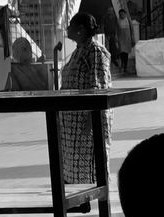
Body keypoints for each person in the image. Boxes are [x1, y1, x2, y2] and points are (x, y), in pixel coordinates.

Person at [59, 13, 113, 185]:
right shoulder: (79, 50)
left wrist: (92, 119)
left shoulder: (95, 51)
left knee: (91, 165)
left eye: (70, 25)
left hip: (87, 122)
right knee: (72, 167)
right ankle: (78, 195)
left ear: (80, 29)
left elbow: (99, 86)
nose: (67, 28)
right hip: (72, 124)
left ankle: (94, 195)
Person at [116, 9, 134, 76]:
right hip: (120, 38)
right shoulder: (118, 21)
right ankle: (122, 64)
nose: (122, 15)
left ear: (125, 14)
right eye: (120, 14)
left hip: (127, 39)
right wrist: (116, 39)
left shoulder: (128, 20)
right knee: (121, 52)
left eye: (123, 14)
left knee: (126, 53)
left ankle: (125, 67)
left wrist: (132, 38)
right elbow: (116, 30)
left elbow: (132, 30)